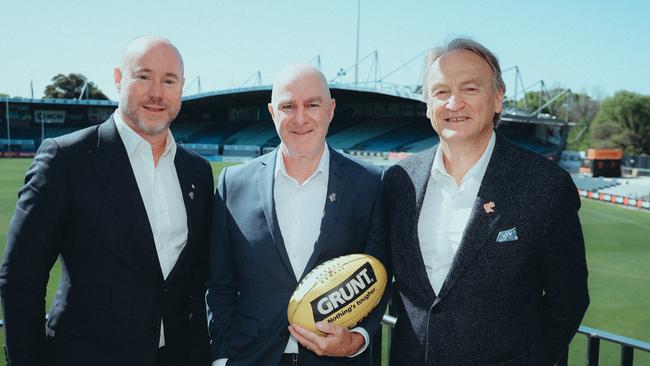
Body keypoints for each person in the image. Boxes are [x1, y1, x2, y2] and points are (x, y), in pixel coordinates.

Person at [0, 36, 213, 366]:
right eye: (143, 76)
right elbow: (20, 276)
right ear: (118, 79)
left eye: (169, 80)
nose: (157, 92)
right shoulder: (66, 159)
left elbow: (196, 278)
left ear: (181, 87)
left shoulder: (196, 170)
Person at [384, 38, 589, 365]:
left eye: (469, 89)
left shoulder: (546, 185)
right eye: (440, 92)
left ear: (497, 99)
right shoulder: (398, 180)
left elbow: (569, 301)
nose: (453, 103)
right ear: (426, 105)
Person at [206, 64, 390, 366]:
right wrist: (222, 358)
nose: (300, 118)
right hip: (252, 358)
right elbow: (220, 284)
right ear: (271, 112)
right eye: (288, 106)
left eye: (312, 105)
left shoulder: (370, 184)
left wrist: (357, 339)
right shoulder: (233, 185)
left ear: (330, 110)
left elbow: (380, 275)